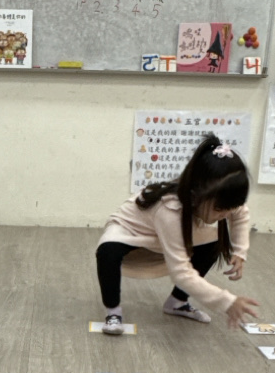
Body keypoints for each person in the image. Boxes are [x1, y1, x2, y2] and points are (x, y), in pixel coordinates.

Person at [96, 133, 259, 334]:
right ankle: (113, 312)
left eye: (230, 208)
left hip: (166, 233)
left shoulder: (223, 199)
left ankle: (177, 302)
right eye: (219, 209)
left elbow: (241, 214)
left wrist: (240, 252)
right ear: (199, 193)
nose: (226, 214)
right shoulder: (170, 211)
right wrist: (227, 301)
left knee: (213, 242)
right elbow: (181, 272)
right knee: (107, 251)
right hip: (132, 231)